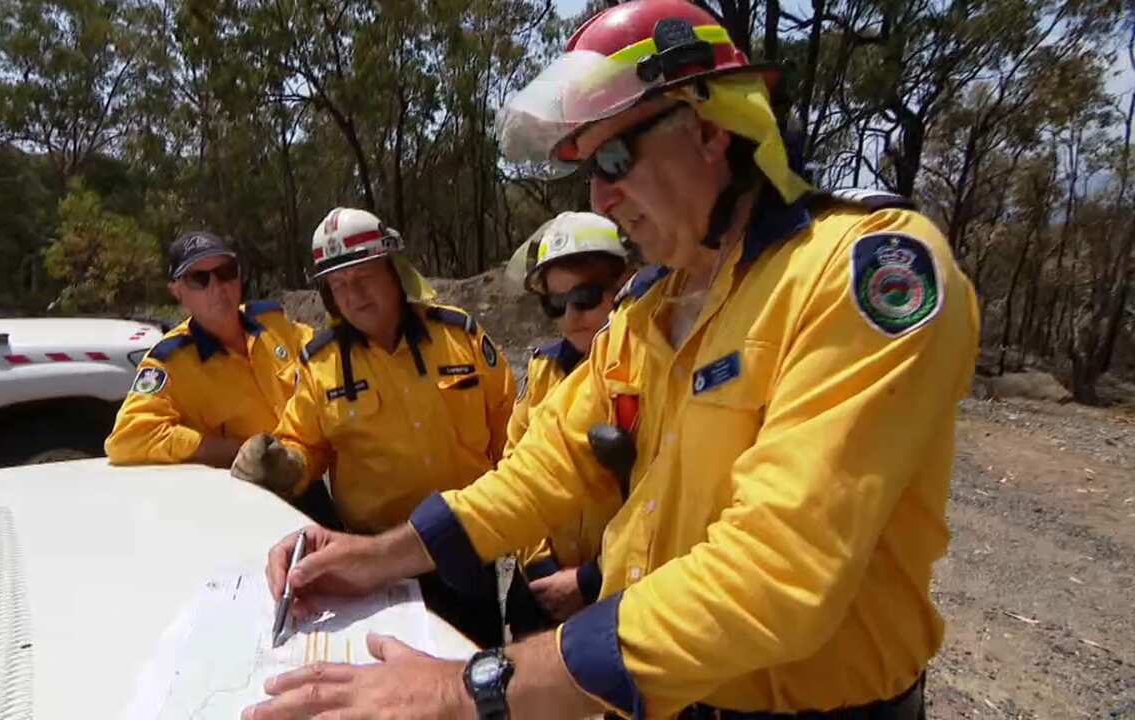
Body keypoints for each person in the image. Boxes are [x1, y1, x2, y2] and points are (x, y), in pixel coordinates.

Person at [244, 1, 979, 718]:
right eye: (587, 168)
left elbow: (778, 571)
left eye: (616, 155)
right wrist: (369, 556)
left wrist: (467, 688)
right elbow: (545, 470)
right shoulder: (650, 309)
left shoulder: (860, 270)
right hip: (656, 692)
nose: (599, 193)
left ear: (710, 129)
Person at [230, 207, 517, 649]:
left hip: (465, 542)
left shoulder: (460, 335)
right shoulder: (319, 365)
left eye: (363, 277)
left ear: (395, 271)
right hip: (375, 557)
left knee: (476, 668)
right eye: (338, 286)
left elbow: (509, 430)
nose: (353, 296)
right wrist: (283, 464)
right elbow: (304, 444)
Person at [104, 231, 337, 525]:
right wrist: (238, 450)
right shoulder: (169, 362)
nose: (217, 287)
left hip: (309, 487)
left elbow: (324, 358)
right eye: (199, 279)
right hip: (245, 502)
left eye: (225, 273)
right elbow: (128, 438)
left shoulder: (272, 321)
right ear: (177, 291)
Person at [501, 212, 631, 635]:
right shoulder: (542, 372)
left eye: (587, 296)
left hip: (620, 591)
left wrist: (588, 580)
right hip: (540, 587)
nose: (571, 315)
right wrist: (539, 566)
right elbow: (514, 470)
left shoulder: (653, 370)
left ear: (623, 287)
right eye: (555, 303)